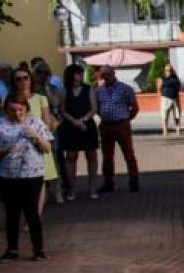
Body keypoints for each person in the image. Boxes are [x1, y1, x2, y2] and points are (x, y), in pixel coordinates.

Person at [0, 93, 54, 262]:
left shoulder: (36, 123)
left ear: (26, 109)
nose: (17, 113)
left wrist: (36, 137)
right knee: (12, 213)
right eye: (12, 110)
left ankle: (38, 249)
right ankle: (12, 249)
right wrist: (5, 149)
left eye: (20, 110)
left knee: (32, 212)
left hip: (32, 173)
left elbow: (47, 148)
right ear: (6, 109)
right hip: (7, 174)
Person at [11, 67, 59, 213]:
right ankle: (27, 214)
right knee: (21, 185)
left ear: (31, 80)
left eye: (26, 78)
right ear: (14, 82)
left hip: (38, 144)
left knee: (40, 183)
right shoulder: (10, 99)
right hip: (18, 146)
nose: (23, 81)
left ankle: (35, 217)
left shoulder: (40, 98)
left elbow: (46, 124)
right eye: (18, 79)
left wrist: (40, 138)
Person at [95, 65, 140, 193]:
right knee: (107, 156)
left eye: (107, 74)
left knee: (129, 154)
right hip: (106, 125)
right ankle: (108, 182)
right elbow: (96, 106)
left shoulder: (125, 89)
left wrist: (126, 119)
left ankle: (134, 181)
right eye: (102, 75)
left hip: (121, 125)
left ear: (113, 74)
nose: (105, 77)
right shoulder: (99, 90)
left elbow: (134, 107)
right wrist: (103, 115)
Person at [59, 65, 101, 200]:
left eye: (82, 73)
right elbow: (62, 109)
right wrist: (74, 121)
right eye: (79, 73)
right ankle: (71, 190)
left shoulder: (89, 89)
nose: (81, 75)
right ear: (71, 75)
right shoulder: (65, 90)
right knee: (71, 156)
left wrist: (83, 120)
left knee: (91, 155)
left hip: (87, 126)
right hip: (70, 126)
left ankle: (92, 188)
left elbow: (94, 108)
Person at [32, 62, 65, 204]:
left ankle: (57, 192)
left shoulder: (51, 88)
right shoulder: (31, 89)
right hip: (34, 129)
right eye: (40, 72)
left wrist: (46, 88)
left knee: (54, 161)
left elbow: (57, 103)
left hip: (50, 129)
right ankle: (41, 193)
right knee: (36, 162)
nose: (43, 75)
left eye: (46, 72)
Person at [157, 65, 182, 136]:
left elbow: (180, 87)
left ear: (173, 71)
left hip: (175, 98)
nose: (169, 72)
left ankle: (178, 130)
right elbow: (159, 89)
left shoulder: (176, 79)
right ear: (165, 71)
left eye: (170, 70)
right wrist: (160, 99)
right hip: (165, 98)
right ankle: (165, 131)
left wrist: (177, 97)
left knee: (177, 115)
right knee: (164, 116)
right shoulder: (162, 79)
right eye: (167, 70)